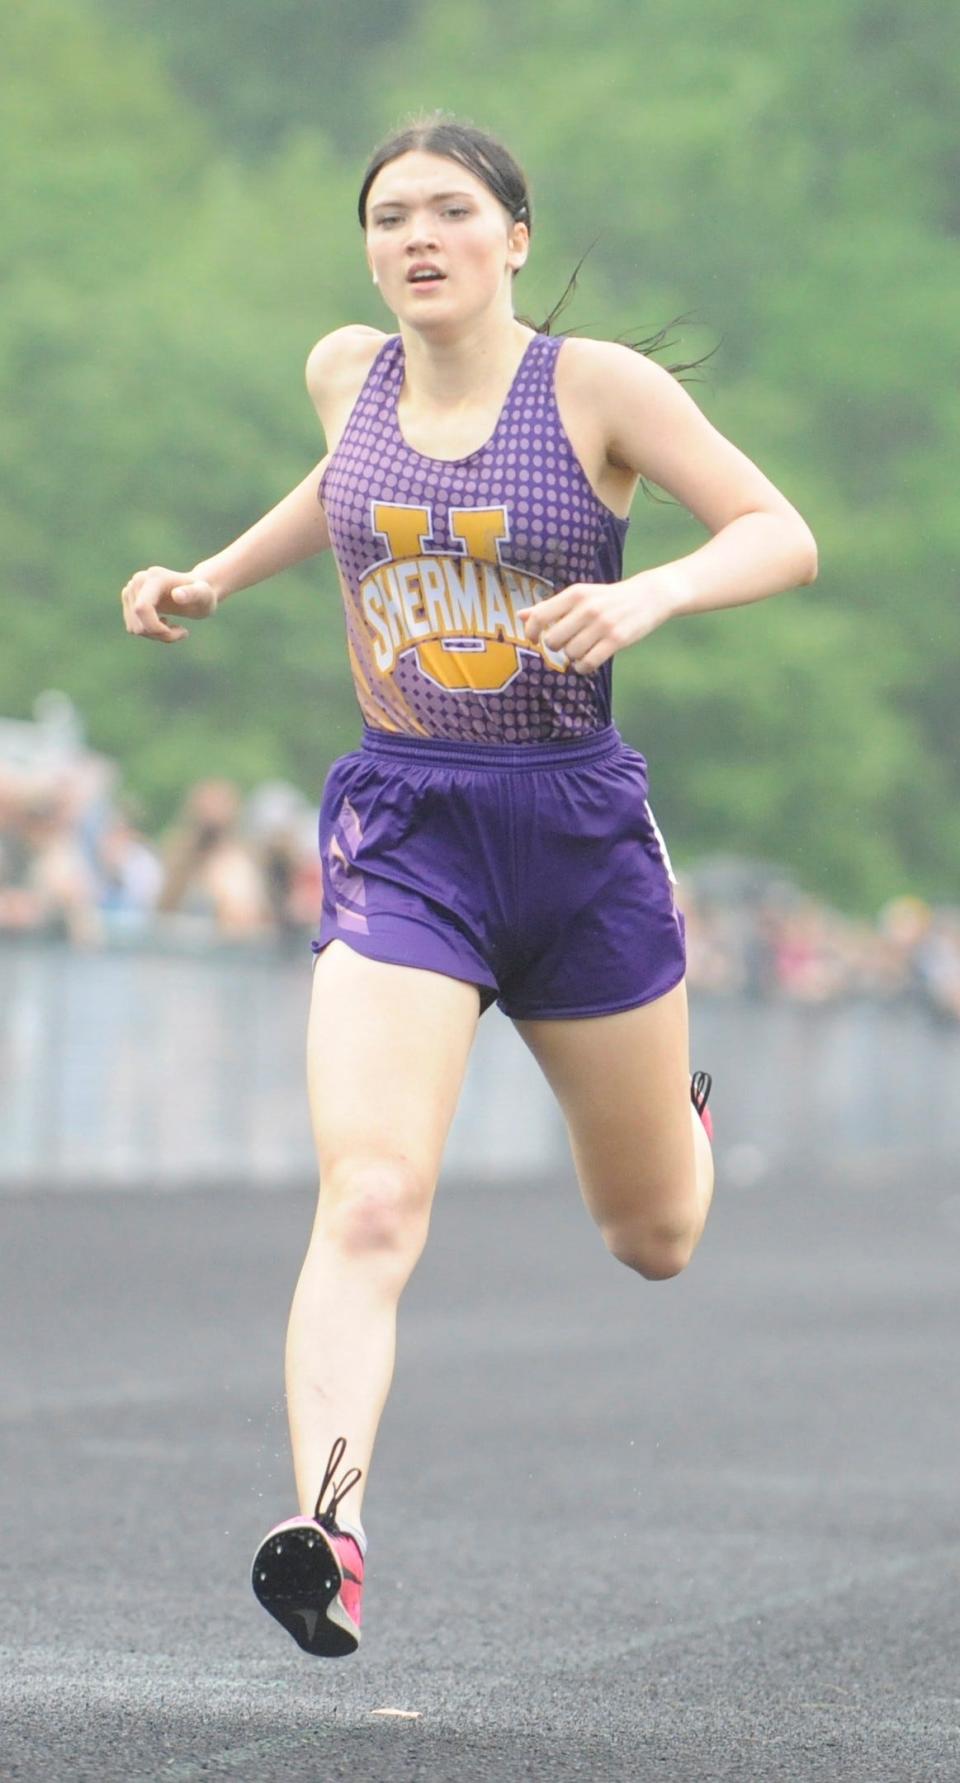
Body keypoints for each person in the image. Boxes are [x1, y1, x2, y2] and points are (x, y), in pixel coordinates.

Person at [121, 113, 818, 1659]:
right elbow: (342, 491)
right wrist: (217, 577)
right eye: (388, 218)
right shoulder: (343, 373)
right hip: (407, 828)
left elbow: (782, 533)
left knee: (654, 1234)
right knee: (370, 1196)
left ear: (512, 238)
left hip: (574, 839)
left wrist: (650, 593)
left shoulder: (600, 390)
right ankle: (332, 1528)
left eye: (448, 212)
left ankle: (682, 1135)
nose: (414, 238)